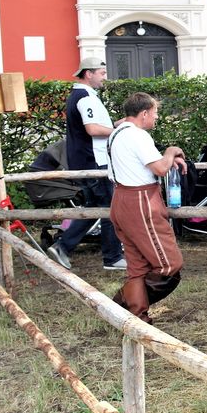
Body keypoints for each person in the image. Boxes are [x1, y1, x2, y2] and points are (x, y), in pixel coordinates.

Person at [107, 93, 187, 324]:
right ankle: (119, 307)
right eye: (155, 113)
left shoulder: (116, 134)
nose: (157, 117)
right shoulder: (138, 136)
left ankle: (136, 318)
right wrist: (171, 151)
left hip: (120, 199)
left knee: (138, 268)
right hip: (140, 201)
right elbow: (161, 169)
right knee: (169, 265)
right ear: (144, 114)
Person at [47, 57, 126, 271]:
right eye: (101, 72)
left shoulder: (81, 96)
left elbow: (93, 128)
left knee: (95, 207)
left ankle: (63, 246)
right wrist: (120, 131)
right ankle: (112, 258)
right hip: (93, 161)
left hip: (87, 159)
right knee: (110, 208)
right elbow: (92, 129)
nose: (104, 77)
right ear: (88, 73)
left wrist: (121, 123)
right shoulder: (86, 98)